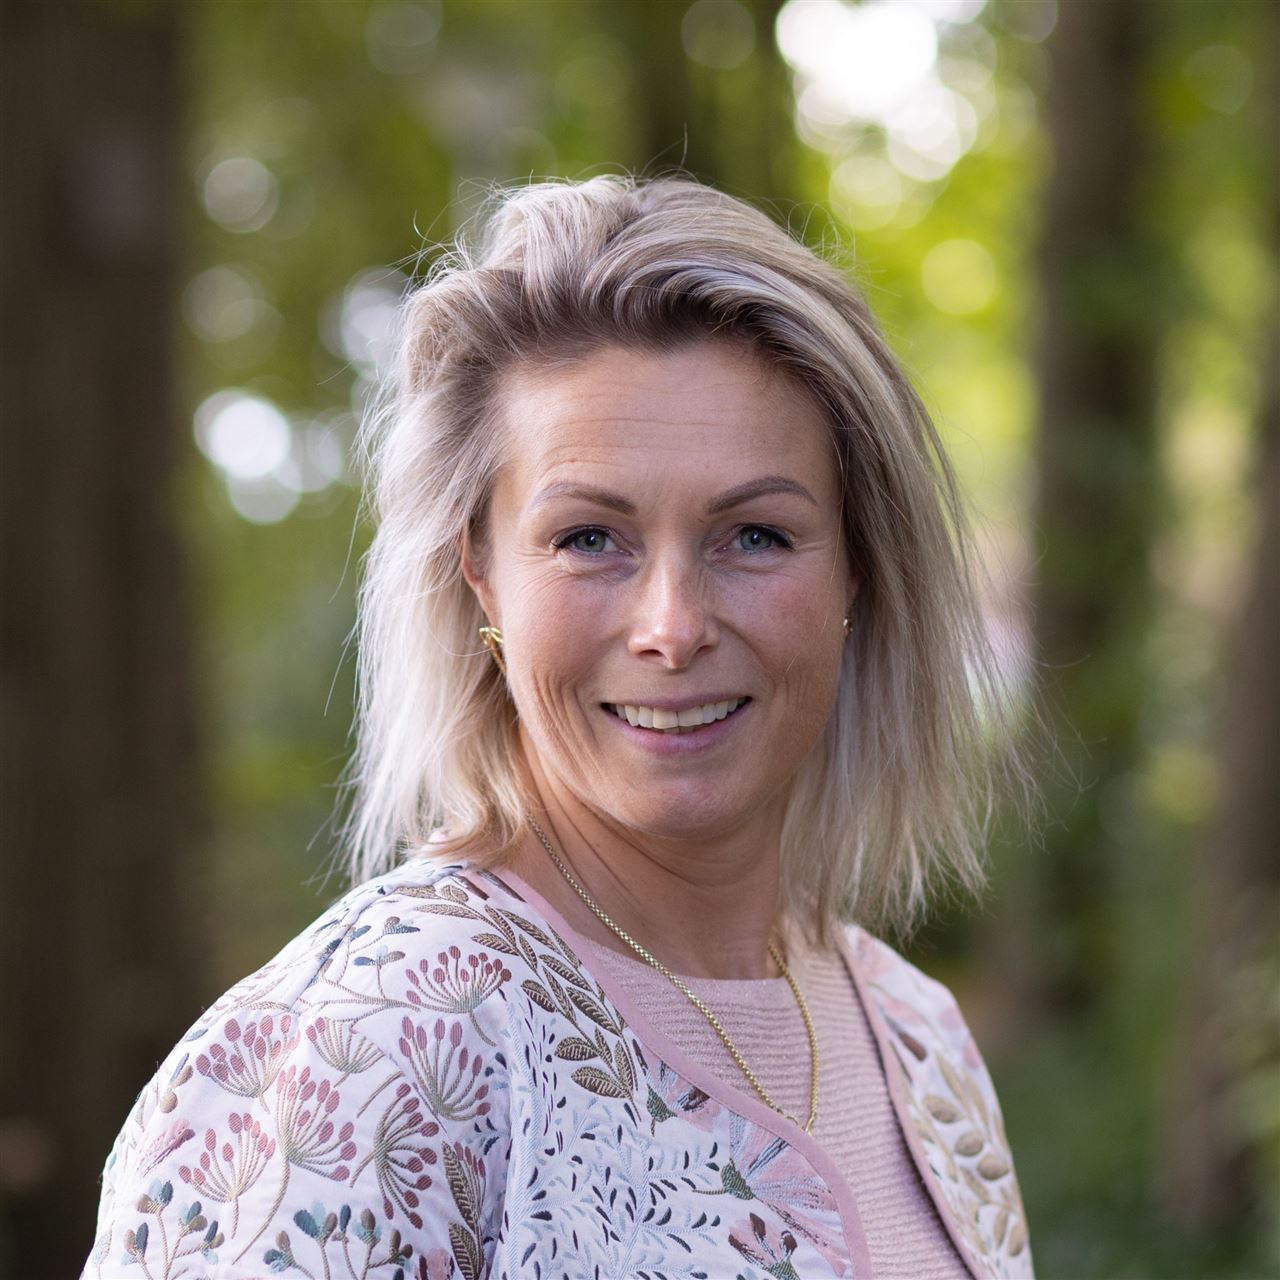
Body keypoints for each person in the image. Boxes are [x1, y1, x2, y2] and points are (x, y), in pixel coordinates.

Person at [83, 173, 1034, 1280]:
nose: (671, 627)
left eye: (755, 535)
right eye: (589, 538)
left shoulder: (918, 1038)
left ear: (855, 570)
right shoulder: (365, 1052)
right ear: (480, 573)